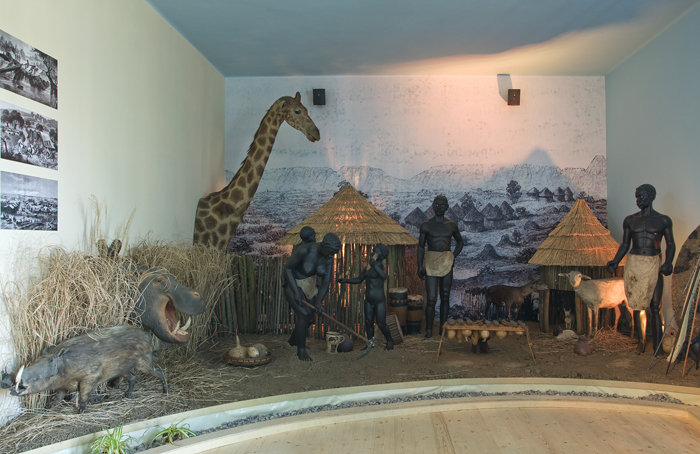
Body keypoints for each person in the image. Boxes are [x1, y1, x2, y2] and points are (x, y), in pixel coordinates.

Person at [606, 184, 675, 355]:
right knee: (637, 304)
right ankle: (641, 343)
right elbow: (625, 244)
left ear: (651, 197)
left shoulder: (663, 220)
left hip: (653, 263)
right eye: (637, 197)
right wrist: (615, 261)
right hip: (635, 263)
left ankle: (657, 346)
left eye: (641, 196)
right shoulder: (630, 220)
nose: (638, 200)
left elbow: (670, 244)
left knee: (655, 306)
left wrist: (668, 262)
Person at [284, 232, 341, 361]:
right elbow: (287, 269)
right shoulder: (305, 250)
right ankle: (301, 351)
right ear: (323, 245)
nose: (331, 256)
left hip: (309, 286)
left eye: (333, 254)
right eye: (329, 252)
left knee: (309, 319)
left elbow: (326, 282)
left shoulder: (329, 258)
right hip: (293, 284)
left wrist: (319, 302)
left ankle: (293, 341)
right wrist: (296, 292)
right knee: (304, 314)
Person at [417, 195, 464, 338]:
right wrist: (420, 265)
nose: (439, 207)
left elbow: (460, 242)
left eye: (442, 205)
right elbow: (421, 246)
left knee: (445, 295)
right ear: (433, 205)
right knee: (431, 298)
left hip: (446, 260)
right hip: (431, 260)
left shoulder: (451, 225)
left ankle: (443, 327)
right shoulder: (426, 225)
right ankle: (429, 329)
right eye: (437, 204)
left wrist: (452, 256)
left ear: (447, 207)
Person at [339, 243, 394, 350]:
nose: (372, 253)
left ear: (381, 255)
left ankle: (390, 340)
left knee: (381, 323)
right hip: (368, 300)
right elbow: (359, 279)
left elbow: (384, 277)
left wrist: (374, 265)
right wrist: (345, 280)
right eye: (372, 251)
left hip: (379, 300)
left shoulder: (381, 267)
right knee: (368, 322)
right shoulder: (368, 267)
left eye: (375, 252)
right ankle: (370, 342)